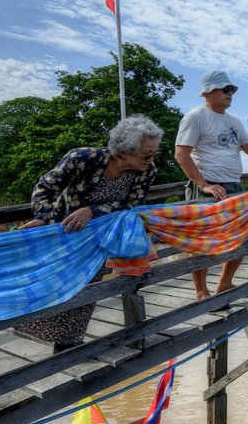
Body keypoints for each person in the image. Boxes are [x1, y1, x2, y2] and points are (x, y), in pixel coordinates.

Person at [14, 115, 163, 351]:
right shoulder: (83, 158)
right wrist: (43, 217)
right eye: (147, 154)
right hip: (64, 233)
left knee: (85, 289)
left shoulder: (146, 171)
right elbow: (45, 187)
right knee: (53, 284)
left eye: (155, 153)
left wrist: (92, 211)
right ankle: (46, 337)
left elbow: (131, 204)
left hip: (96, 240)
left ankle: (69, 344)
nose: (151, 159)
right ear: (124, 151)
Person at [174, 70, 248, 301]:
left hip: (233, 186)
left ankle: (224, 282)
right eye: (225, 89)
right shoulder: (196, 116)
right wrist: (203, 185)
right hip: (207, 187)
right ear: (208, 92)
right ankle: (201, 291)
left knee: (244, 236)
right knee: (200, 241)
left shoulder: (234, 121)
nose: (229, 93)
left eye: (231, 89)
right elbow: (181, 154)